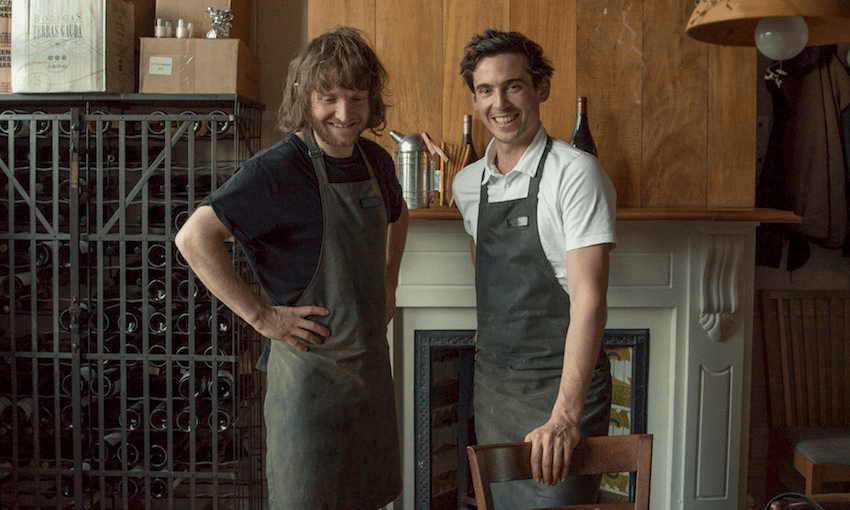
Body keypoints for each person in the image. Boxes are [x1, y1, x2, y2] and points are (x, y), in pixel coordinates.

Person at [174, 26, 409, 510]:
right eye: (330, 98)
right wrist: (263, 317)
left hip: (369, 379)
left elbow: (398, 214)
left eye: (357, 98)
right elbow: (193, 238)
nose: (345, 114)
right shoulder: (276, 170)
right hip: (308, 387)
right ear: (304, 95)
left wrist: (389, 281)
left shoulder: (377, 162)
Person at [452, 29, 617, 509]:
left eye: (513, 86)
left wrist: (565, 416)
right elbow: (486, 274)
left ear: (540, 88)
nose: (499, 103)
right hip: (494, 388)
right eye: (485, 90)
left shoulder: (576, 173)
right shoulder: (467, 185)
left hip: (559, 388)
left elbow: (591, 300)